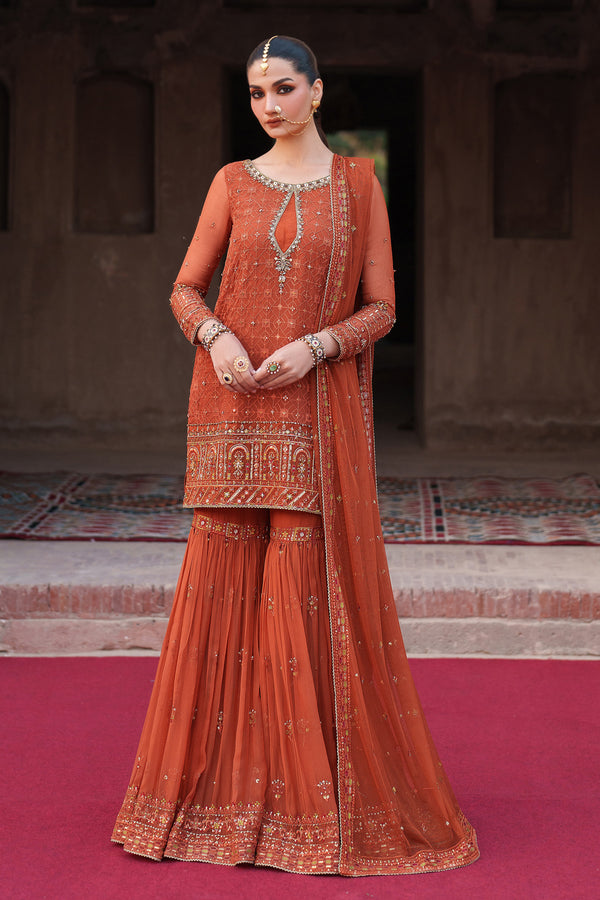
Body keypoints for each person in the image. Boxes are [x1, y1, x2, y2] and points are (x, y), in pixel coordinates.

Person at [112, 35, 479, 877]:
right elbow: (183, 286)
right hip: (233, 409)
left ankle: (302, 807)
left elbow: (382, 309)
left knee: (298, 598)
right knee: (225, 593)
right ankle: (212, 803)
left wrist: (317, 347)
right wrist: (214, 338)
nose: (269, 105)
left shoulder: (357, 185)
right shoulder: (232, 183)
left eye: (283, 88)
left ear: (318, 92)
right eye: (254, 93)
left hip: (312, 414)